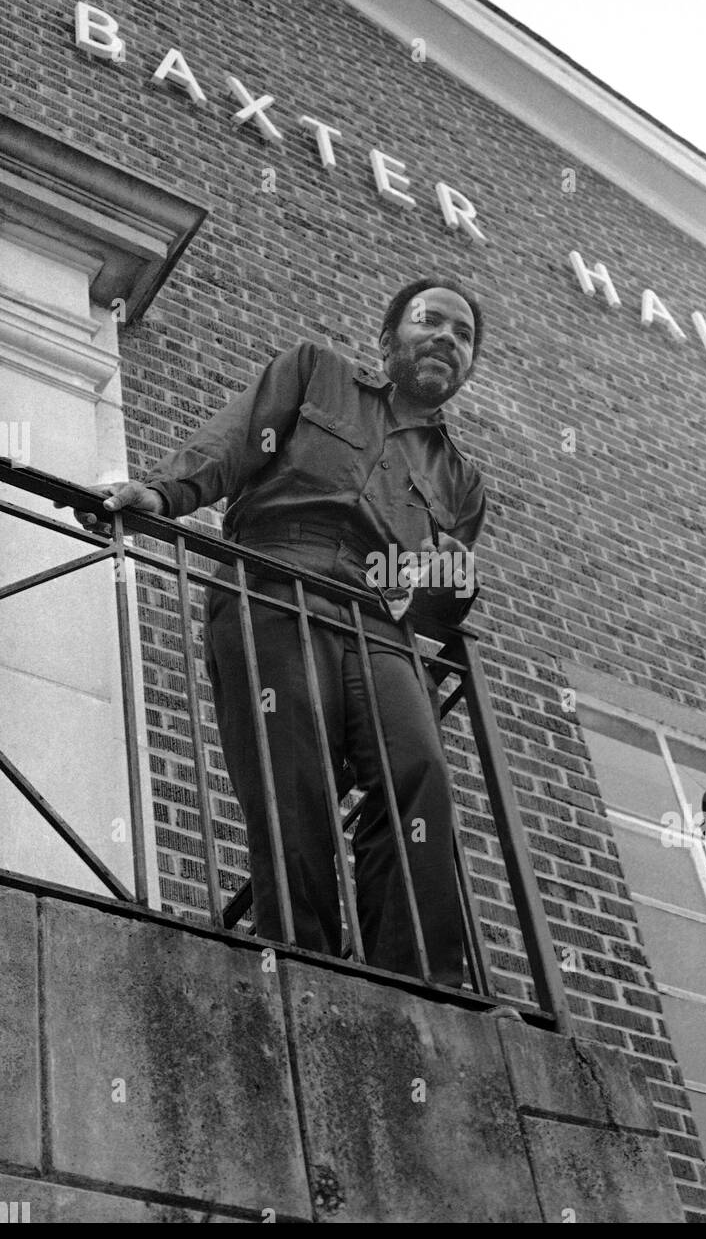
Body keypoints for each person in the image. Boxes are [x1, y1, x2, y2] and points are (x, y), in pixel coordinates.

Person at [67, 277, 486, 987]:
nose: (447, 337)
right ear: (388, 342)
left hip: (375, 619)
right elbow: (234, 441)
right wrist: (164, 493)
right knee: (291, 775)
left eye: (463, 334)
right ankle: (303, 960)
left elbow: (432, 607)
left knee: (420, 775)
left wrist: (451, 582)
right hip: (272, 576)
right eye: (430, 321)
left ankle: (423, 982)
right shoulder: (315, 372)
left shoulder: (460, 479)